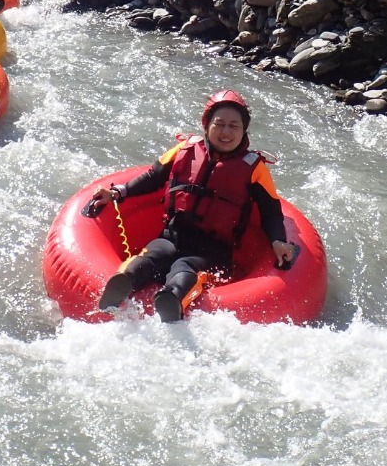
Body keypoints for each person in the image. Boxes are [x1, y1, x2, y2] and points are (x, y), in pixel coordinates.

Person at [88, 90, 297, 322]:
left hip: (212, 251)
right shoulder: (184, 150)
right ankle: (124, 280)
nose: (226, 132)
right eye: (219, 124)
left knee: (184, 268)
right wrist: (118, 192)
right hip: (171, 237)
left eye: (234, 126)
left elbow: (271, 212)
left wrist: (278, 241)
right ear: (206, 125)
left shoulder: (254, 168)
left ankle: (172, 299)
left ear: (243, 130)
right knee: (151, 257)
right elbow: (152, 177)